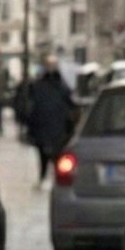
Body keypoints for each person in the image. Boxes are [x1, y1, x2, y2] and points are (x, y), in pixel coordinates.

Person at [25, 53, 75, 185]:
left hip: (47, 126)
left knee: (45, 154)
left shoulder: (39, 85)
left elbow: (32, 107)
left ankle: (44, 176)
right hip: (53, 126)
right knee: (54, 154)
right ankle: (49, 177)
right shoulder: (61, 85)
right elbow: (70, 104)